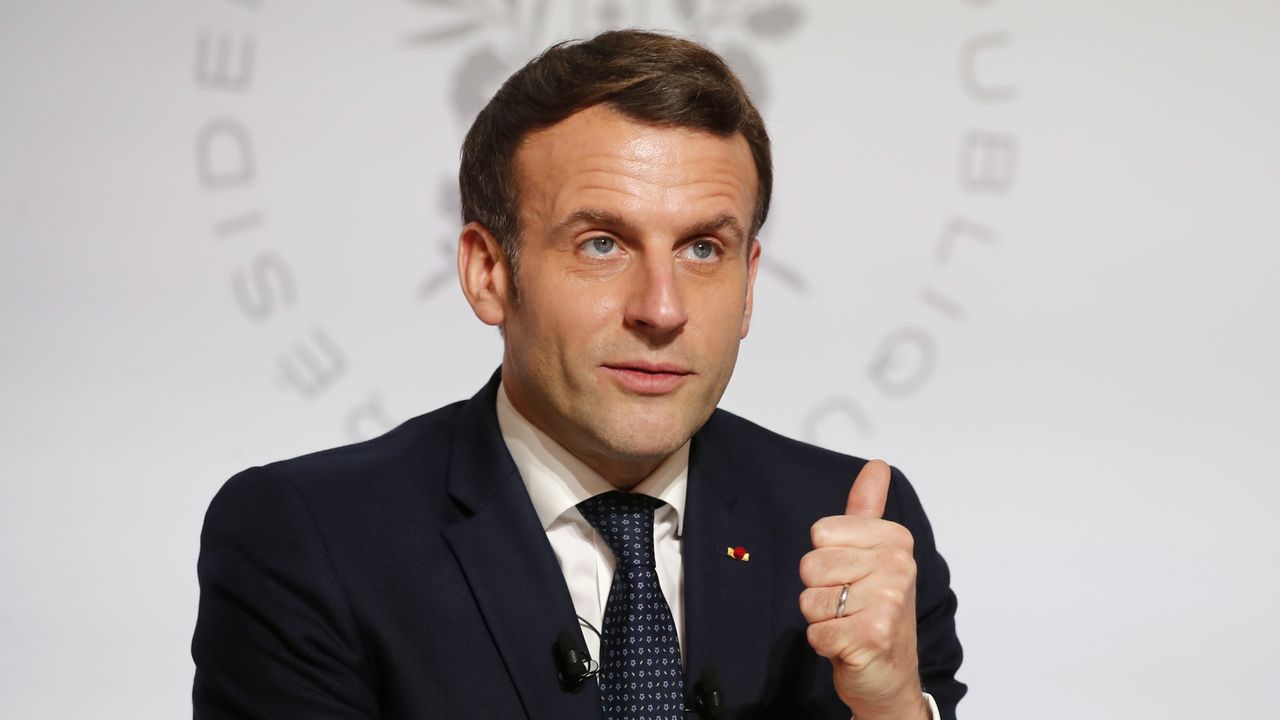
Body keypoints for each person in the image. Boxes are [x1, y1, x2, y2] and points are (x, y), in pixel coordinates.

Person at [192, 29, 964, 720]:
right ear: (489, 272)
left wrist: (892, 709)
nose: (662, 310)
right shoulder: (310, 539)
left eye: (703, 249)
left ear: (750, 283)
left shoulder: (856, 531)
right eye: (602, 244)